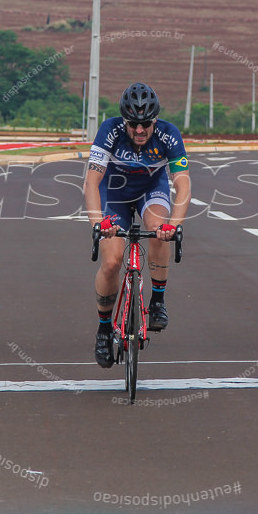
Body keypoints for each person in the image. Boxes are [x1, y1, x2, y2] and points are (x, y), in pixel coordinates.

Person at [83, 82, 191, 368]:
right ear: (124, 120)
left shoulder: (169, 135)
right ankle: (104, 330)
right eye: (133, 125)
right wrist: (98, 223)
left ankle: (157, 300)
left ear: (155, 120)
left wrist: (174, 226)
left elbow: (182, 184)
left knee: (159, 228)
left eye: (146, 124)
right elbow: (92, 181)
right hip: (114, 194)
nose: (140, 131)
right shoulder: (109, 130)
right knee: (111, 262)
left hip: (150, 190)